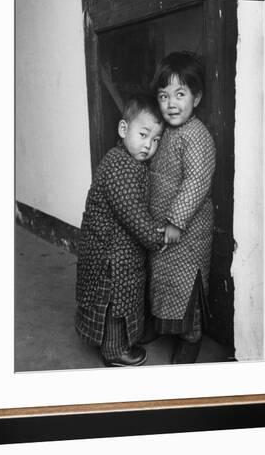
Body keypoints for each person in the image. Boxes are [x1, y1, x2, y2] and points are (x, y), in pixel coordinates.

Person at [75, 94, 166, 367]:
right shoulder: (119, 166)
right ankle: (114, 351)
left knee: (129, 296)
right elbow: (133, 213)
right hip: (108, 255)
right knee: (116, 302)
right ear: (124, 129)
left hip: (120, 248)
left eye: (156, 140)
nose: (149, 145)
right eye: (143, 134)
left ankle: (130, 335)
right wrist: (155, 236)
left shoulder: (132, 163)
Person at [144, 51, 216, 365]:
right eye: (164, 95)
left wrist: (176, 220)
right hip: (162, 229)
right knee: (161, 282)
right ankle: (163, 326)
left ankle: (191, 338)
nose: (171, 103)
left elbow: (196, 183)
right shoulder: (164, 131)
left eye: (180, 94)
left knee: (188, 289)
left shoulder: (197, 137)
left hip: (187, 234)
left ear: (196, 98)